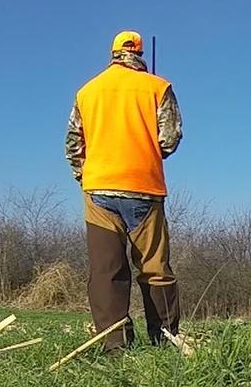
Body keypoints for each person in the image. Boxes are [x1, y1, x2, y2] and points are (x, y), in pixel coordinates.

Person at [65, 31, 183, 351]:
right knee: (154, 268)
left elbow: (73, 145)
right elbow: (170, 138)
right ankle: (165, 340)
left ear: (113, 53)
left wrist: (85, 177)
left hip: (99, 189)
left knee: (106, 271)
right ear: (140, 54)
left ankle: (114, 344)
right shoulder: (159, 87)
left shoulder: (87, 91)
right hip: (145, 188)